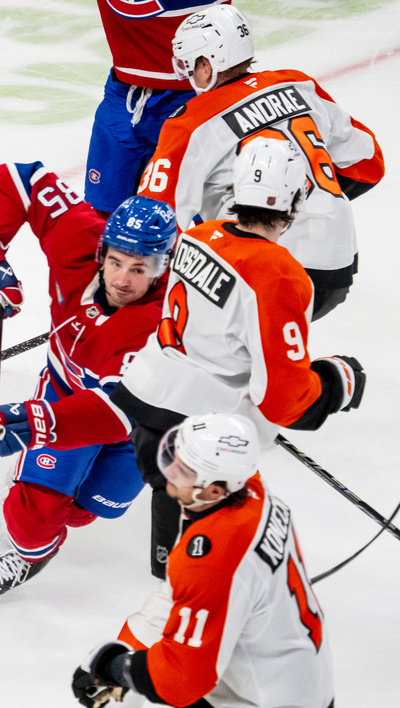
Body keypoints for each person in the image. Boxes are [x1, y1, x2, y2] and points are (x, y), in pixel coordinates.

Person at [111, 137, 366, 581]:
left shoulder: (197, 234)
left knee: (173, 554)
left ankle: (170, 603)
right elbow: (283, 399)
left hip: (146, 400)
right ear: (297, 198)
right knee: (198, 574)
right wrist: (336, 383)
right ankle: (173, 630)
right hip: (200, 432)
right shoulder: (281, 274)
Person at [0, 161, 177, 596]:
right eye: (115, 262)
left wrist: (32, 424)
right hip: (65, 391)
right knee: (33, 519)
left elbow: (117, 411)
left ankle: (57, 495)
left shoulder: (168, 317)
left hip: (139, 419)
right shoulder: (78, 235)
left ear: (163, 266)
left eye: (140, 269)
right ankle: (30, 553)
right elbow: (17, 179)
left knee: (93, 506)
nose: (122, 280)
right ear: (101, 250)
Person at [137, 4, 384, 320]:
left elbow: (154, 219)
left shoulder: (189, 124)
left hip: (262, 271)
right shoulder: (298, 84)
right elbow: (368, 162)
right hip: (337, 266)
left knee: (201, 348)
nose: (187, 75)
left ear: (206, 64)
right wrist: (305, 205)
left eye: (190, 65)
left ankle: (332, 372)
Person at [70, 412, 333, 708]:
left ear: (214, 488)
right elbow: (181, 595)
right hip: (293, 676)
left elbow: (180, 680)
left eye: (182, 469)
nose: (168, 469)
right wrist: (129, 649)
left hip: (265, 698)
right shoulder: (249, 491)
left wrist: (116, 668)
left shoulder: (212, 555)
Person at [85, 1, 230, 217]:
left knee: (210, 218)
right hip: (125, 95)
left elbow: (137, 7)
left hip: (200, 98)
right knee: (105, 216)